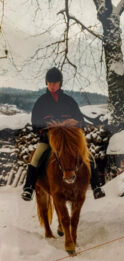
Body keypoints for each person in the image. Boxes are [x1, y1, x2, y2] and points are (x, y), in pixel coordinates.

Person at [21, 67, 105, 201]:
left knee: (89, 157)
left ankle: (96, 187)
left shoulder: (69, 101)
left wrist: (75, 122)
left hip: (69, 140)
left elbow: (81, 122)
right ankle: (28, 188)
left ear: (60, 83)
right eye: (49, 83)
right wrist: (44, 128)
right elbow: (35, 123)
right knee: (36, 158)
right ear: (46, 83)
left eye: (55, 83)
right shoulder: (41, 102)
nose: (52, 86)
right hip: (48, 139)